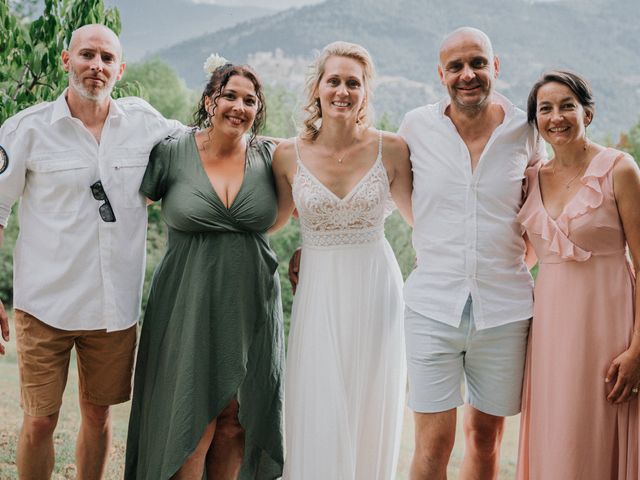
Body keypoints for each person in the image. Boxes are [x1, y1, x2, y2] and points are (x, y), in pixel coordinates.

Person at [0, 24, 183, 478]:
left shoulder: (146, 124)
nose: (96, 66)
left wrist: (291, 159)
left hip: (113, 308)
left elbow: (213, 142)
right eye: (87, 55)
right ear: (67, 60)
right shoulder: (25, 129)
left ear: (120, 69)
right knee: (40, 420)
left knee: (99, 417)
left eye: (106, 59)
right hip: (44, 305)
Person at [124, 55, 284, 479]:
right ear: (210, 100)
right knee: (190, 415)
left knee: (236, 420)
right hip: (186, 300)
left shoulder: (272, 156)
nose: (239, 106)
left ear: (258, 110)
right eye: (229, 95)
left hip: (252, 302)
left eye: (250, 100)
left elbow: (319, 191)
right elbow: (126, 213)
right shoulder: (171, 153)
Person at [397, 27, 544, 479]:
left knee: (484, 440)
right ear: (441, 73)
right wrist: (438, 246)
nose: (468, 74)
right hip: (431, 307)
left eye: (478, 63)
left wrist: (516, 259)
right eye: (456, 66)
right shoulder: (416, 127)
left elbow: (540, 206)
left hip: (504, 310)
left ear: (495, 67)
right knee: (432, 445)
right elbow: (407, 200)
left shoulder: (526, 129)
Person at [272, 41, 413, 479]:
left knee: (371, 399)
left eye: (354, 83)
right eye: (334, 80)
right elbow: (270, 223)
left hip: (376, 283)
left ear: (366, 92)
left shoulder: (392, 150)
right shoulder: (285, 155)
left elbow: (420, 222)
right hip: (318, 285)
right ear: (317, 87)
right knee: (318, 396)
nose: (343, 91)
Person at [516, 70, 640, 479]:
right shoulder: (532, 178)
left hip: (609, 328)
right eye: (545, 109)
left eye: (567, 105)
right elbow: (523, 254)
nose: (556, 117)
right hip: (551, 332)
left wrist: (638, 350)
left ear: (588, 112)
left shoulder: (619, 169)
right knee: (557, 434)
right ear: (535, 121)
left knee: (600, 430)